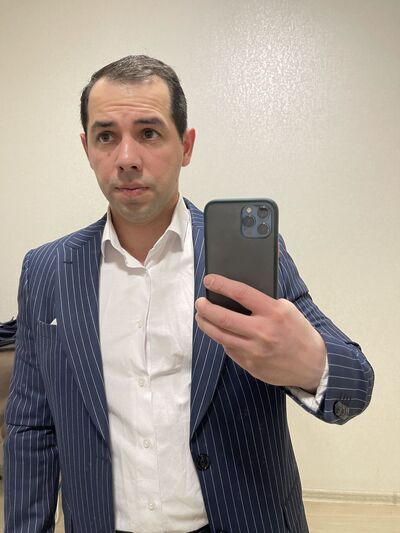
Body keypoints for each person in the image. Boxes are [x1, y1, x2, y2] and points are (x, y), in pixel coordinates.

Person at [4, 55, 374, 533]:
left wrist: (310, 364)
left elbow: (355, 383)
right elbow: (31, 428)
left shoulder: (247, 257)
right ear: (87, 149)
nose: (127, 157)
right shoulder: (46, 271)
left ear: (186, 146)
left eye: (149, 133)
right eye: (106, 136)